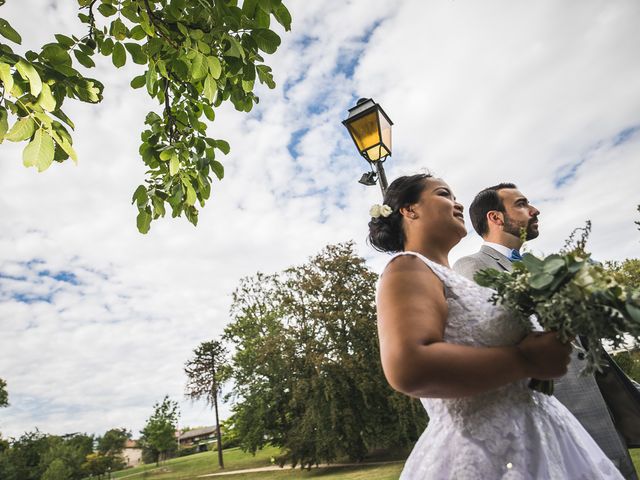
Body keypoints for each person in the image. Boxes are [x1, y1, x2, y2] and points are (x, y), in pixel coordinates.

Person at [369, 173, 623, 479]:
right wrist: (525, 360)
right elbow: (409, 365)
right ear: (409, 210)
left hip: (542, 429)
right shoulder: (408, 267)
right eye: (444, 194)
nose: (458, 202)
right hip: (486, 450)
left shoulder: (456, 280)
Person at [453, 183, 638, 479]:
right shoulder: (472, 266)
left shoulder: (538, 265)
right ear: (496, 218)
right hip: (557, 412)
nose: (535, 210)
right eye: (523, 204)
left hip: (601, 409)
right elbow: (502, 331)